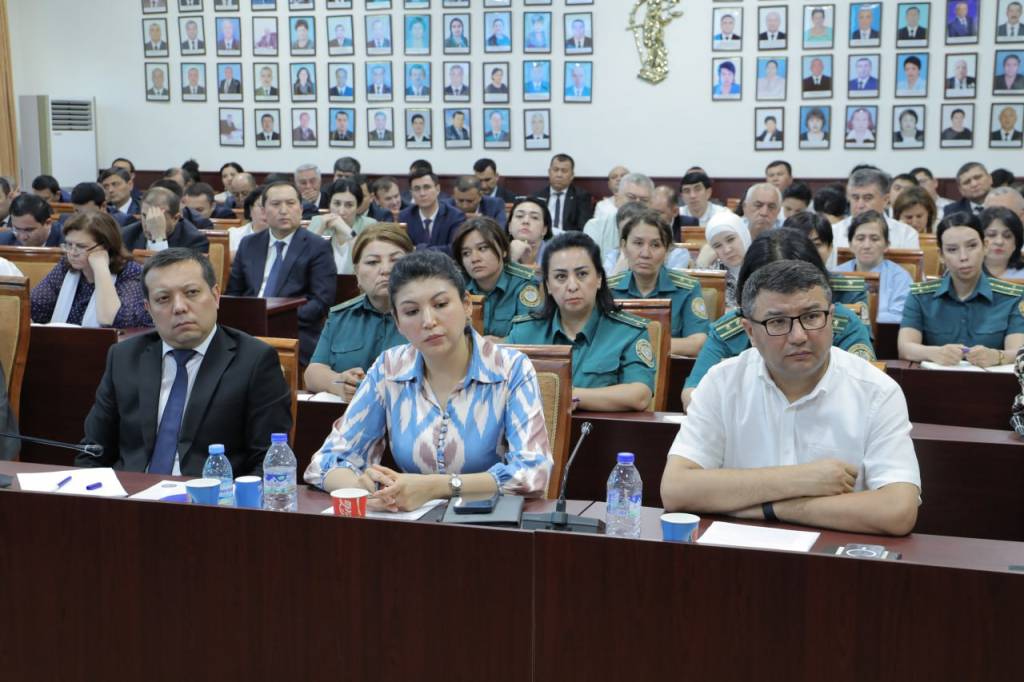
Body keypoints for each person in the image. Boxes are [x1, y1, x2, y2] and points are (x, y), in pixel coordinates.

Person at [662, 259, 920, 536]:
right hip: (738, 552)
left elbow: (898, 511)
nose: (798, 336)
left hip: (834, 555)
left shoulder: (877, 391)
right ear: (750, 332)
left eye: (812, 317)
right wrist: (800, 479)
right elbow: (676, 490)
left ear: (831, 318)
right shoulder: (722, 382)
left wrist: (772, 509)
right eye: (778, 322)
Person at [304, 250, 552, 508]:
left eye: (441, 305)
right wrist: (363, 490)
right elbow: (324, 463)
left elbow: (532, 473)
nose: (428, 321)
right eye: (412, 311)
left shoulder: (510, 368)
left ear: (466, 305)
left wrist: (436, 488)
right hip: (409, 521)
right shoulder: (389, 368)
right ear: (398, 322)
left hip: (489, 523)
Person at [79, 248, 292, 476]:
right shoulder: (124, 357)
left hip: (212, 494)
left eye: (191, 292)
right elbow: (93, 452)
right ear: (148, 309)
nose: (179, 307)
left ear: (216, 296)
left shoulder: (255, 360)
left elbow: (269, 462)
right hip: (131, 491)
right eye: (163, 298)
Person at [681, 229, 875, 410]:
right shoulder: (731, 329)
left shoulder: (843, 323)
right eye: (777, 320)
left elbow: (866, 394)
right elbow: (693, 397)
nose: (798, 336)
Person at [507, 232, 655, 412]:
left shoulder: (628, 332)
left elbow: (640, 395)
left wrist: (570, 395)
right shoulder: (524, 332)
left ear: (599, 278)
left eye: (582, 274)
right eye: (561, 277)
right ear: (548, 285)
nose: (572, 286)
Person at [226, 181, 337, 365]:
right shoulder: (248, 244)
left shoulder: (318, 247)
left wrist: (274, 320)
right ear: (264, 211)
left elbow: (321, 302)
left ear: (301, 209)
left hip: (294, 330)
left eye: (290, 203)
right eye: (276, 204)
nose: (284, 210)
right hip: (247, 328)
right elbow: (233, 295)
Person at [899, 212, 1024, 367]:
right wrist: (934, 353)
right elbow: (905, 347)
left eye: (972, 246)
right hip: (935, 379)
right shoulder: (920, 296)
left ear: (985, 246)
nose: (963, 257)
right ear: (941, 255)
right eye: (952, 249)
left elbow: (1018, 351)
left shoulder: (1012, 297)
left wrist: (997, 356)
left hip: (992, 379)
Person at [304, 224, 413, 400]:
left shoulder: (429, 316)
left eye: (396, 260)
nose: (386, 270)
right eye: (373, 262)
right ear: (356, 272)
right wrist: (338, 383)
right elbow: (313, 372)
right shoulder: (341, 317)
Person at [607, 209, 709, 356]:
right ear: (623, 246)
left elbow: (698, 343)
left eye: (655, 245)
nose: (645, 253)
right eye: (638, 243)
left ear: (667, 251)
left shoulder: (687, 288)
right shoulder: (608, 289)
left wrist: (640, 346)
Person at [29, 211, 150, 328]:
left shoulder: (130, 272)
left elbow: (114, 319)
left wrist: (101, 268)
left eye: (81, 246)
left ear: (106, 246)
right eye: (69, 245)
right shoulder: (66, 266)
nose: (72, 253)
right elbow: (35, 307)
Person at [453, 217, 543, 338]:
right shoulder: (456, 286)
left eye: (482, 248)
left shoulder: (523, 283)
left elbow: (531, 335)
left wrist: (501, 343)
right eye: (466, 253)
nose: (474, 259)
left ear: (503, 250)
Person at [835, 211, 913, 324]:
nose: (867, 245)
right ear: (850, 244)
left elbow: (901, 317)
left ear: (886, 245)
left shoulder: (900, 277)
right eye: (860, 238)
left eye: (874, 239)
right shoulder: (836, 274)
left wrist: (860, 316)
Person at [832, 168, 920, 257]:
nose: (860, 205)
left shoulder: (906, 234)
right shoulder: (834, 232)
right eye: (855, 198)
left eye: (867, 198)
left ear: (886, 200)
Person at [308, 178, 379, 273]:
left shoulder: (369, 225)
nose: (341, 211)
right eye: (337, 204)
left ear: (358, 207)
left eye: (349, 205)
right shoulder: (318, 221)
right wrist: (321, 229)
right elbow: (304, 257)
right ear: (329, 204)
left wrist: (346, 230)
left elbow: (369, 259)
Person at [584, 172, 654, 256]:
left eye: (644, 200)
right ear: (617, 198)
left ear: (651, 204)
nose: (637, 203)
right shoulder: (595, 226)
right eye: (631, 197)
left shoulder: (658, 230)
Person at [398, 169, 466, 255]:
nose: (422, 193)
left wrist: (418, 249)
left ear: (437, 189)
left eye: (427, 187)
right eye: (417, 189)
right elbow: (402, 248)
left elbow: (454, 249)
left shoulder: (455, 216)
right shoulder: (404, 216)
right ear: (411, 193)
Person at [122, 187, 209, 253]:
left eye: (157, 218)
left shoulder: (195, 241)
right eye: (145, 216)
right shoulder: (126, 235)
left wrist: (158, 239)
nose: (149, 223)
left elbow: (169, 271)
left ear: (176, 218)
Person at [533, 153, 593, 232]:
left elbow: (584, 227)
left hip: (568, 238)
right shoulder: (537, 196)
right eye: (555, 170)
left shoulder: (581, 196)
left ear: (572, 175)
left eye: (564, 171)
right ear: (549, 172)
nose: (559, 175)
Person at [705, 211, 752, 310]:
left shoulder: (763, 265)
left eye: (730, 239)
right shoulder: (713, 275)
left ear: (743, 234)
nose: (727, 250)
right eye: (717, 246)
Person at [507, 197, 555, 271]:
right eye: (519, 216)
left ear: (544, 230)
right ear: (509, 227)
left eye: (534, 217)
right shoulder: (497, 252)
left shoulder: (556, 255)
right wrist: (511, 258)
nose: (526, 221)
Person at [981, 207, 1024, 279]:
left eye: (1007, 236)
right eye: (991, 235)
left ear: (1016, 243)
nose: (999, 242)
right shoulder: (966, 274)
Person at [229, 187, 266, 254]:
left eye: (271, 206)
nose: (265, 211)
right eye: (261, 206)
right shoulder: (233, 235)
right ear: (250, 209)